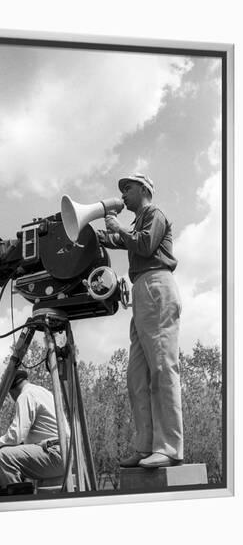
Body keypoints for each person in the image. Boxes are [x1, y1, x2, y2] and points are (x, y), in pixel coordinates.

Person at [98, 173, 183, 469]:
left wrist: (118, 229)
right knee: (137, 376)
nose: (122, 193)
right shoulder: (137, 222)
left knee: (161, 367)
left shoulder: (154, 214)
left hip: (157, 285)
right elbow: (128, 242)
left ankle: (169, 447)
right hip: (142, 290)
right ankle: (145, 446)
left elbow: (145, 245)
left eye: (128, 188)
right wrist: (98, 236)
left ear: (145, 189)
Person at [0, 369, 69, 488]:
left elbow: (17, 435)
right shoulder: (43, 392)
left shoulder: (25, 395)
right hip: (65, 452)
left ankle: (14, 503)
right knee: (10, 457)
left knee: (4, 457)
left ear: (11, 390)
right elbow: (22, 441)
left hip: (56, 453)